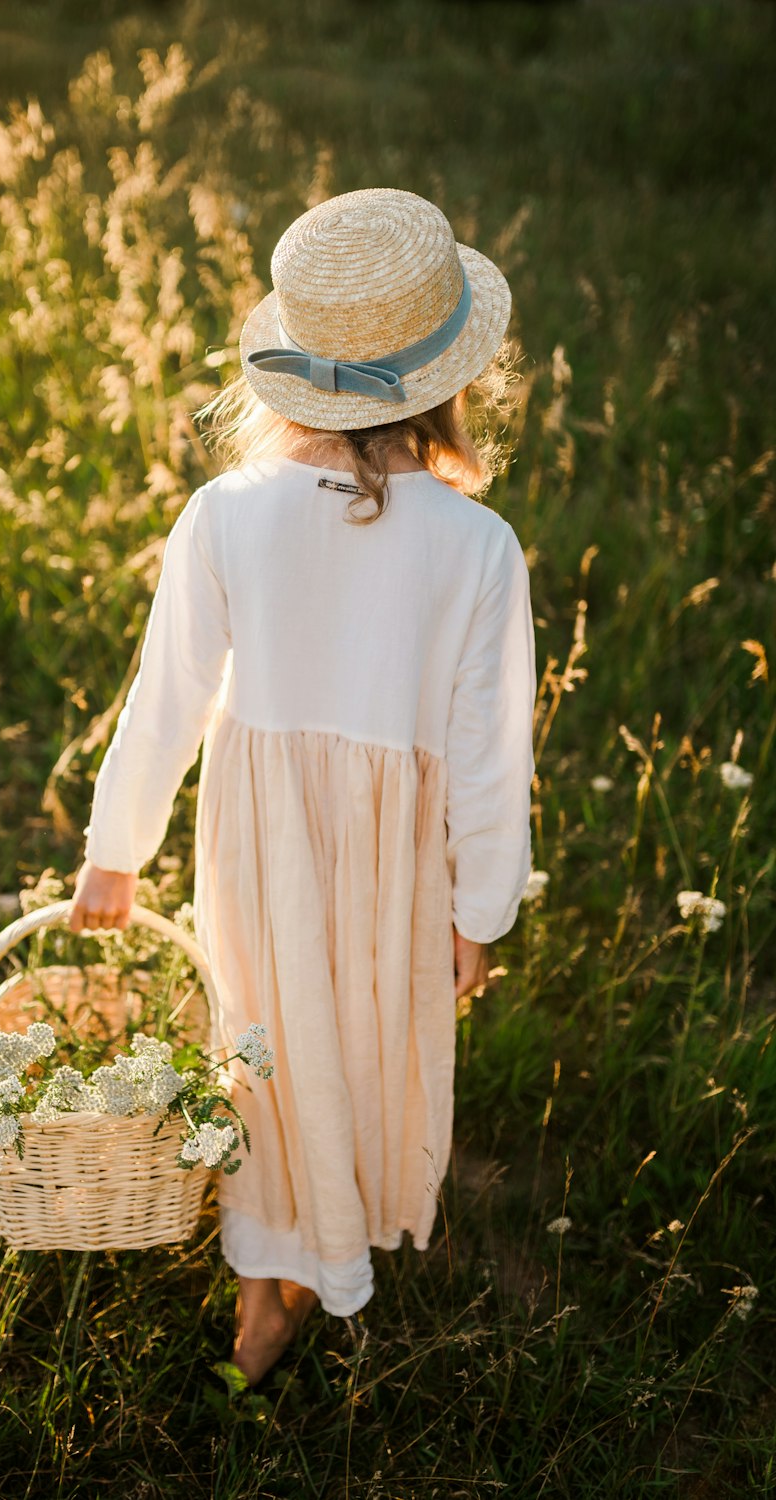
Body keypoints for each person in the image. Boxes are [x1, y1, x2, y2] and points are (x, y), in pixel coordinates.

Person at [67, 187, 537, 1386]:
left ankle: (271, 1273)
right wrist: (476, 910)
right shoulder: (477, 545)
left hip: (257, 839)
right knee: (369, 1036)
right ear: (449, 378)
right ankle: (305, 1265)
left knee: (260, 1040)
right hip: (391, 855)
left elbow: (162, 698)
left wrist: (114, 850)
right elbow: (489, 754)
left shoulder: (226, 512)